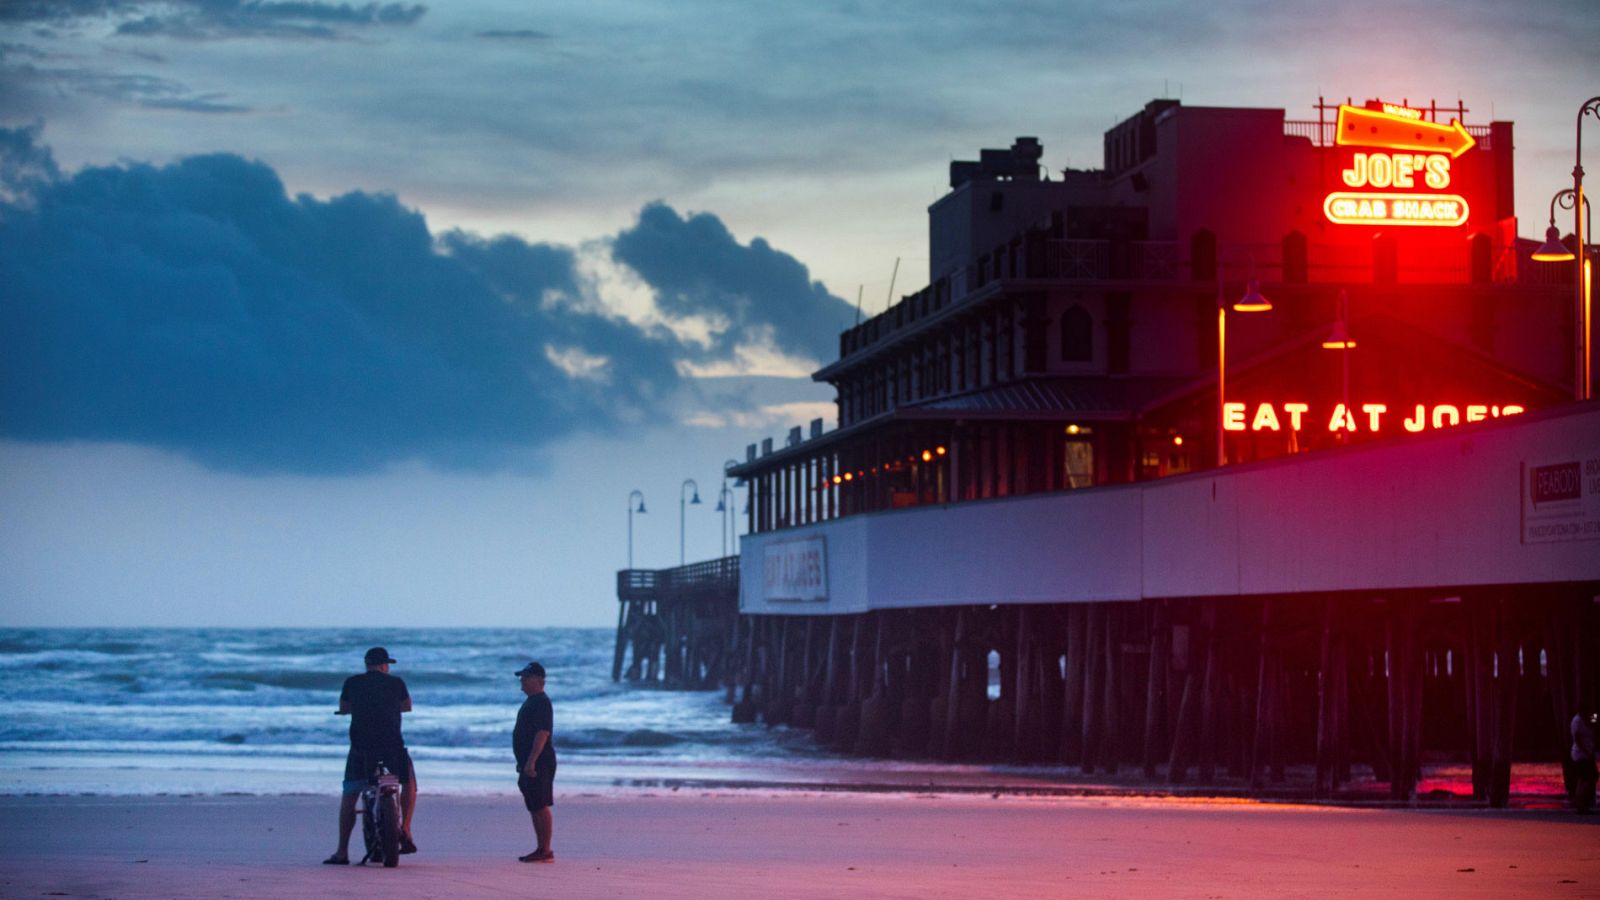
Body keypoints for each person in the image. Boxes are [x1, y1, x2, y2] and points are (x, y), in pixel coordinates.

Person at [324, 646, 417, 864]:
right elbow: (407, 706)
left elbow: (344, 707)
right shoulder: (396, 683)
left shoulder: (352, 682)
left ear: (367, 665)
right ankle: (406, 828)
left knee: (350, 793)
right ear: (385, 665)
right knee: (409, 782)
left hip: (361, 747)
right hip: (392, 745)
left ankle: (342, 851)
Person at [513, 661, 556, 863]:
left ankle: (545, 850)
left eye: (526, 677)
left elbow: (542, 733)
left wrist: (531, 762)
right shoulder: (532, 701)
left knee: (540, 804)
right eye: (522, 677)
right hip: (528, 763)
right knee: (533, 805)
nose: (522, 681)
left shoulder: (541, 702)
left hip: (539, 762)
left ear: (539, 680)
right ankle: (541, 848)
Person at [1572, 708, 1597, 814]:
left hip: (1588, 753)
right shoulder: (1577, 721)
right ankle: (1580, 804)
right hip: (1581, 754)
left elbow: (1594, 725)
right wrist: (1586, 752)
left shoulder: (1587, 718)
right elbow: (1577, 738)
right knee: (1585, 778)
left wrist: (1594, 714)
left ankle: (1584, 802)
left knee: (1592, 776)